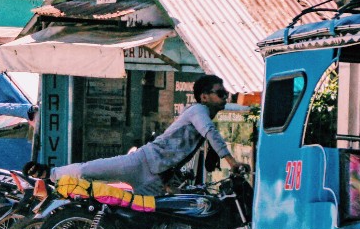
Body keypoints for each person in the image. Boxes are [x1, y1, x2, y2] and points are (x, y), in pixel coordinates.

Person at [54, 75, 239, 195]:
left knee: (148, 224)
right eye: (221, 93)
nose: (225, 97)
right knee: (90, 170)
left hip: (156, 177)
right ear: (204, 96)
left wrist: (170, 185)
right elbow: (211, 132)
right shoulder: (198, 110)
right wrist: (232, 162)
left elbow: (177, 157)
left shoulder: (202, 119)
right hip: (142, 162)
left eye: (226, 94)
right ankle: (50, 175)